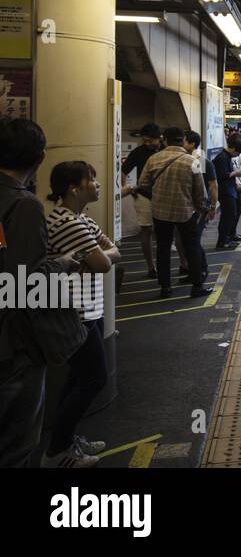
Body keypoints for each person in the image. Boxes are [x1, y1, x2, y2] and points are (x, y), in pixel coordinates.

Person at [0, 119, 86, 468]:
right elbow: (22, 280)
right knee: (16, 446)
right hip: (12, 342)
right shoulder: (24, 205)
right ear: (39, 158)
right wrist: (63, 263)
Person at [43, 161, 120, 467]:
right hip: (75, 312)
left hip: (89, 307)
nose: (97, 185)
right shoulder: (69, 223)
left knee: (79, 378)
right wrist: (95, 258)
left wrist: (87, 258)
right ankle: (56, 453)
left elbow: (113, 251)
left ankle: (64, 441)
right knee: (93, 378)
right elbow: (103, 263)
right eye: (92, 180)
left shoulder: (79, 219)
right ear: (74, 188)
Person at [137, 127, 212, 298]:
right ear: (182, 140)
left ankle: (165, 287)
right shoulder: (192, 161)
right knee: (191, 247)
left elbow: (142, 184)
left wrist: (156, 196)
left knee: (163, 248)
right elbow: (200, 192)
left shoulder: (154, 159)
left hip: (160, 213)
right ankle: (197, 286)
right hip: (185, 212)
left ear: (165, 140)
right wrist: (202, 210)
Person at [121, 122, 162, 279]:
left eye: (150, 140)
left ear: (159, 138)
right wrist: (127, 188)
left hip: (163, 196)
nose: (147, 143)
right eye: (144, 140)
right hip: (144, 195)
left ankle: (164, 263)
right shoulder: (138, 152)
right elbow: (123, 171)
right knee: (146, 230)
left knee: (164, 231)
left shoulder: (166, 150)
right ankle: (151, 266)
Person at [213, 136, 241, 251]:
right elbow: (222, 176)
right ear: (232, 148)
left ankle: (231, 235)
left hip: (231, 189)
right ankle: (222, 241)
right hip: (225, 191)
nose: (237, 155)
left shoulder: (227, 157)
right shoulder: (221, 158)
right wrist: (236, 173)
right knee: (227, 216)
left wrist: (236, 182)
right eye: (237, 152)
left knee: (237, 211)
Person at [185, 132, 219, 252]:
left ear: (192, 144)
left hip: (199, 207)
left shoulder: (202, 162)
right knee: (190, 240)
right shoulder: (186, 160)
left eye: (183, 141)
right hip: (187, 206)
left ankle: (202, 268)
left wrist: (212, 208)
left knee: (194, 240)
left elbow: (213, 186)